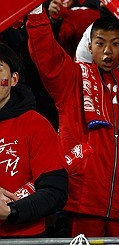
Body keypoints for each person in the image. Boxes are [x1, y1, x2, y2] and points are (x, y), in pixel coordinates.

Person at [26, 7, 119, 237]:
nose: (108, 51)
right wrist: (37, 14)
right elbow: (47, 54)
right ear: (89, 47)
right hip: (84, 201)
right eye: (100, 43)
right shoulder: (73, 79)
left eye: (116, 44)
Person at [0, 43, 68, 237]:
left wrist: (11, 212)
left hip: (22, 237)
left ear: (13, 79)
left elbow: (55, 192)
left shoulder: (35, 125)